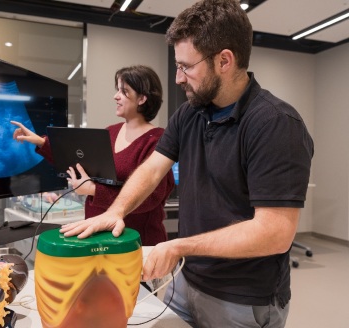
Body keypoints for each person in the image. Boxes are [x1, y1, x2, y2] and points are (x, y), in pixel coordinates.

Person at [60, 0, 314, 327]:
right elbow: (153, 168)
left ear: (224, 60)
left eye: (186, 67)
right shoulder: (190, 113)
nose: (178, 78)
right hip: (185, 280)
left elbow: (275, 232)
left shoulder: (275, 124)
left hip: (241, 298)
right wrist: (116, 211)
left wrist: (178, 246)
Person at [11, 65, 175, 246]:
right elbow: (76, 163)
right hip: (96, 237)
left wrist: (93, 190)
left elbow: (150, 198)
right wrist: (41, 142)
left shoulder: (158, 140)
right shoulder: (110, 132)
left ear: (142, 98)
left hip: (135, 243)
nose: (116, 96)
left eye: (124, 91)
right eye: (117, 90)